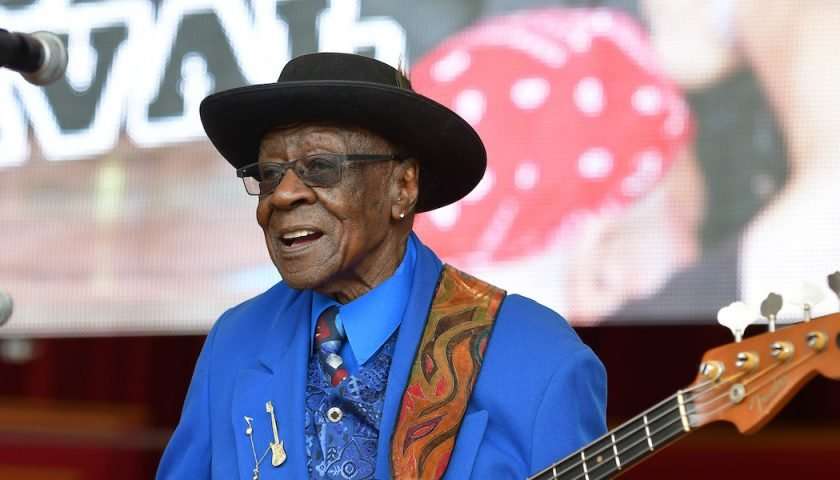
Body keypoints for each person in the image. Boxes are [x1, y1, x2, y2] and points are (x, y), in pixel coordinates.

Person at [156, 52, 606, 480]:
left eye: (320, 166)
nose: (282, 195)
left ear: (402, 187)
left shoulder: (539, 359)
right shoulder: (234, 344)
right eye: (269, 174)